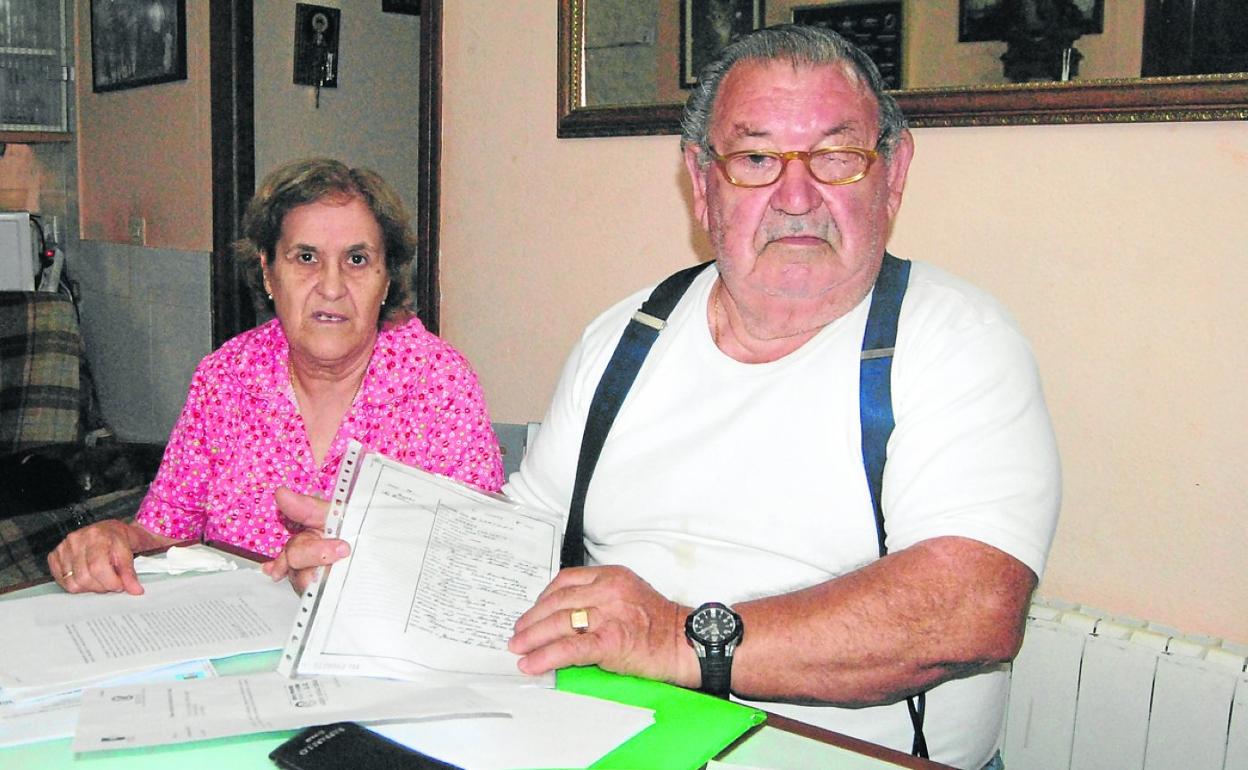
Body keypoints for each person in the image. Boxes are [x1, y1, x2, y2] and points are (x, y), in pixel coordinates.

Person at [275, 26, 1058, 770]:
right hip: (611, 737)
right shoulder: (628, 336)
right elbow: (520, 537)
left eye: (836, 157)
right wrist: (378, 564)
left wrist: (680, 638)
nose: (795, 196)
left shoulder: (955, 341)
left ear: (893, 174)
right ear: (700, 181)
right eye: (754, 157)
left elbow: (972, 609)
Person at [48, 158, 505, 595]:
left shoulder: (439, 383)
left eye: (358, 260)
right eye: (306, 257)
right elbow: (166, 533)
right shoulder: (225, 377)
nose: (331, 286)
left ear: (386, 281)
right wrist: (116, 540)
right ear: (268, 272)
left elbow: (485, 561)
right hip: (236, 644)